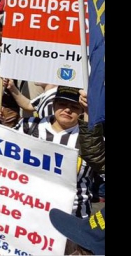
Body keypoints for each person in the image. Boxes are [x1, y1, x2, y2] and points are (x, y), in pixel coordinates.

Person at [14, 86, 95, 218]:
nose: (67, 110)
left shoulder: (90, 139)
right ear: (53, 104)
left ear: (82, 109)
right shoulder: (27, 126)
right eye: (62, 104)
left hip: (73, 218)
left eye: (74, 106)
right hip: (28, 214)